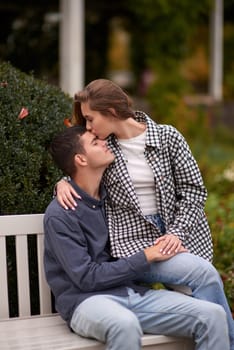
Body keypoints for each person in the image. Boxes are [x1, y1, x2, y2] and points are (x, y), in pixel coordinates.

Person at [55, 79, 234, 347]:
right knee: (203, 275)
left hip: (177, 237)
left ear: (112, 111)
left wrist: (176, 233)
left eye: (91, 119)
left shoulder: (167, 137)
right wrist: (61, 183)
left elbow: (194, 191)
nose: (88, 127)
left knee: (205, 296)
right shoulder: (106, 149)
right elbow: (79, 168)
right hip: (134, 247)